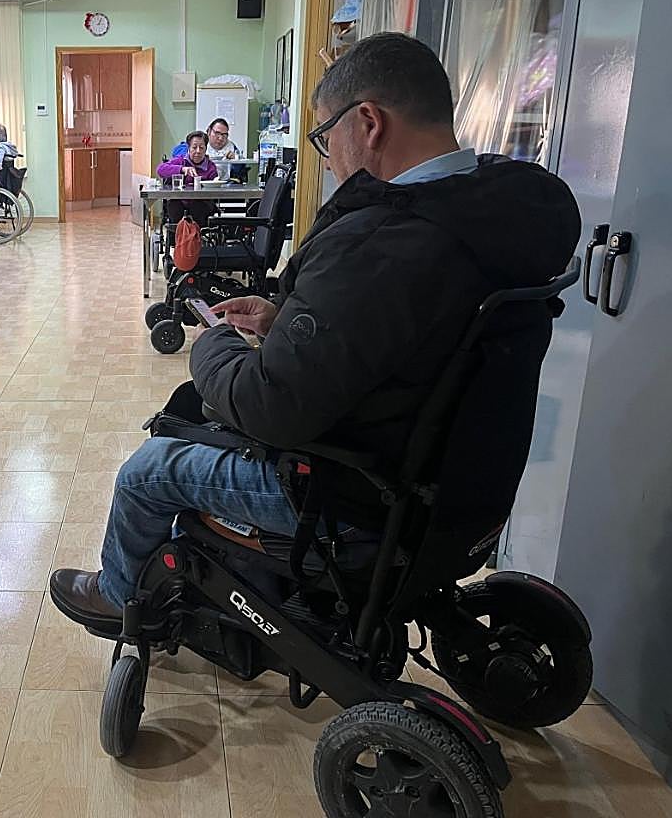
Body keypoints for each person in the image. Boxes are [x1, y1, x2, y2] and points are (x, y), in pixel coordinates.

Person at [49, 32, 581, 623]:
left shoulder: (381, 244)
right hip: (457, 485)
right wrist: (289, 319)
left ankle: (120, 597)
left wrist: (213, 343)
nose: (326, 159)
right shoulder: (494, 212)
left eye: (326, 136)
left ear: (369, 123)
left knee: (147, 469)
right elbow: (400, 331)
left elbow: (269, 406)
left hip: (353, 493)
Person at [156, 131, 219, 228]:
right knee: (174, 205)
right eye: (194, 147)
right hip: (179, 201)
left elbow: (214, 187)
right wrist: (182, 169)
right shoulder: (181, 161)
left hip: (201, 203)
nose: (198, 151)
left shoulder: (210, 167)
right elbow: (160, 170)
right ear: (188, 148)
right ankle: (177, 235)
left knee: (198, 207)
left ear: (206, 149)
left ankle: (197, 235)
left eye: (201, 148)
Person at [204, 117, 248, 182]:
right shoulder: (200, 144)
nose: (220, 138)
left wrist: (235, 160)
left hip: (226, 184)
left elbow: (240, 172)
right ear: (209, 131)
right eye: (217, 133)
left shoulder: (231, 147)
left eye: (224, 135)